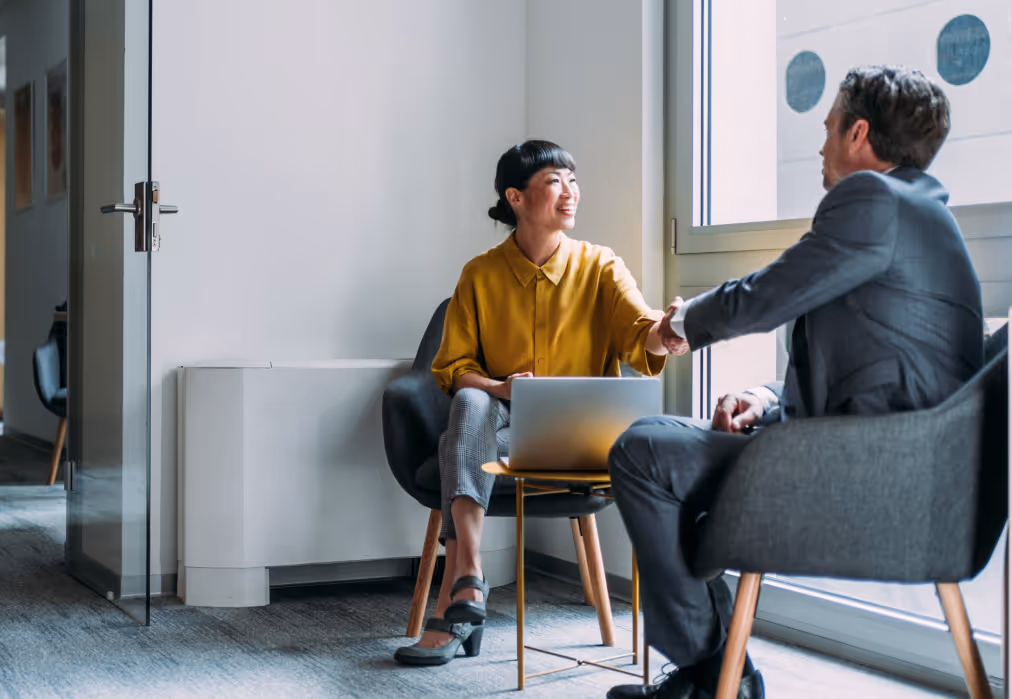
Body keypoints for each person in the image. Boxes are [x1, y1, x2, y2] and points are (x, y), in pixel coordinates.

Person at [604, 65, 983, 699]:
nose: (821, 142)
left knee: (642, 451)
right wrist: (766, 399)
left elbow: (768, 294)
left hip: (862, 476)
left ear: (859, 132)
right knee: (664, 440)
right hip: (910, 472)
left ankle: (708, 670)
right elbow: (874, 374)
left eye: (830, 125)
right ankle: (721, 668)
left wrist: (680, 326)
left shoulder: (873, 201)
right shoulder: (923, 213)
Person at [393, 140, 689, 666]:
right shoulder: (479, 275)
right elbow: (453, 369)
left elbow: (639, 333)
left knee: (461, 436)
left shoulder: (600, 267)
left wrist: (666, 334)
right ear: (516, 197)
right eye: (556, 180)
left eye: (574, 180)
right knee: (473, 404)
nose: (571, 192)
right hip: (500, 422)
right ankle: (470, 575)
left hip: (573, 437)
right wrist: (502, 388)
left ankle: (461, 593)